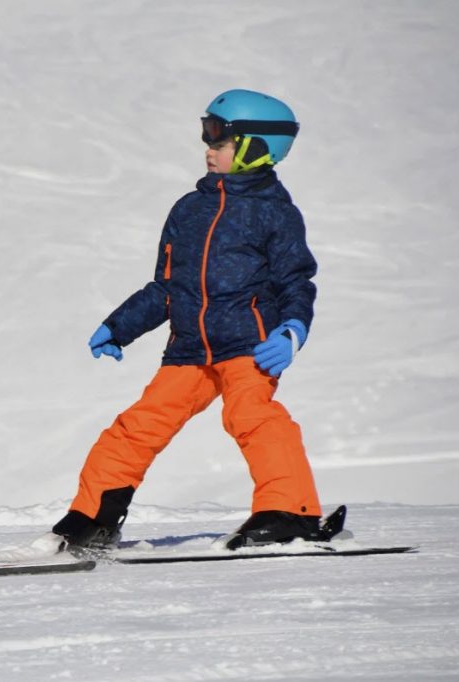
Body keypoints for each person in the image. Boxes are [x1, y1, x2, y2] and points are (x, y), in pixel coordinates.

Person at [53, 89, 323, 552]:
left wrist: (292, 330)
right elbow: (167, 286)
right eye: (208, 137)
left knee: (252, 417)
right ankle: (93, 516)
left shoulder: (275, 213)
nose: (208, 149)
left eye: (220, 141)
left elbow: (295, 280)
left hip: (248, 344)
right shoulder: (188, 209)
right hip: (189, 349)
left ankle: (288, 512)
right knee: (136, 426)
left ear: (257, 147)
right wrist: (120, 325)